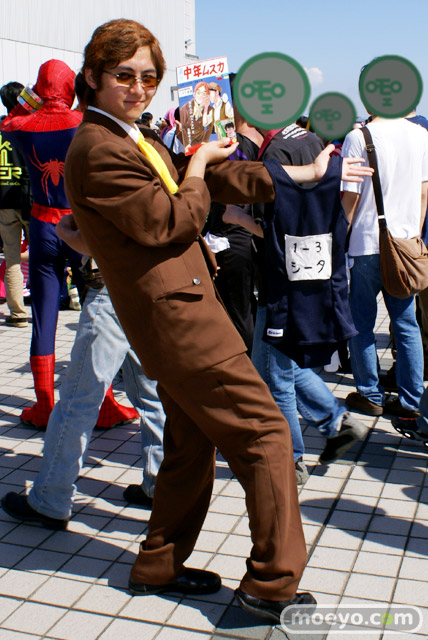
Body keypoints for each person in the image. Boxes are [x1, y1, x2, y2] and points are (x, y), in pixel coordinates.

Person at [1, 19, 371, 623]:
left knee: (190, 444)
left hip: (177, 312)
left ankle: (159, 565)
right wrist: (197, 167)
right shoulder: (98, 146)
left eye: (149, 77)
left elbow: (204, 175)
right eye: (124, 76)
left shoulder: (129, 135)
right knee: (267, 435)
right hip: (179, 320)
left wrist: (297, 176)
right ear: (91, 76)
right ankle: (270, 587)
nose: (139, 88)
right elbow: (169, 220)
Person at [1, 211, 165, 525]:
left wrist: (65, 231)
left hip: (112, 282)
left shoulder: (108, 178)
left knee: (79, 399)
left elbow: (100, 236)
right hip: (149, 281)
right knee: (150, 395)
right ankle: (159, 485)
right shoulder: (161, 178)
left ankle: (51, 497)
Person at [225, 122, 367, 482]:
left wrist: (239, 218)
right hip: (306, 277)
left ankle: (291, 460)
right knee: (275, 364)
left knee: (275, 376)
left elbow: (281, 231)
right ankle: (334, 421)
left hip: (282, 283)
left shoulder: (275, 153)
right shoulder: (309, 140)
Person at [0, 60, 137, 430]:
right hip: (80, 227)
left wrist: (31, 100)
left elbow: (10, 118)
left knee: (43, 317)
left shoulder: (22, 127)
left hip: (42, 226)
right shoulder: (83, 123)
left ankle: (44, 404)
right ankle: (104, 405)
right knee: (97, 319)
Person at [342, 67, 428, 420]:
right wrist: (412, 235)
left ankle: (370, 393)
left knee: (361, 322)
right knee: (406, 323)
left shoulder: (358, 136)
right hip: (405, 244)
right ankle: (411, 401)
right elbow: (423, 192)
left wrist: (339, 238)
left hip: (366, 243)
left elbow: (350, 197)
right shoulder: (420, 135)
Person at [0, 81, 32, 328]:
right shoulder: (30, 127)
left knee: (11, 257)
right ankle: (43, 309)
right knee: (42, 256)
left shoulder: (1, 129)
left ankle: (18, 314)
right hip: (30, 200)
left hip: (4, 202)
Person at [179, 81, 212, 151]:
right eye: (198, 93)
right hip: (189, 143)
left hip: (202, 142)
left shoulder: (209, 109)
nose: (201, 96)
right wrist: (187, 145)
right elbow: (183, 128)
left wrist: (205, 141)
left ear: (207, 96)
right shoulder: (185, 109)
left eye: (204, 93)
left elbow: (210, 126)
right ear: (194, 94)